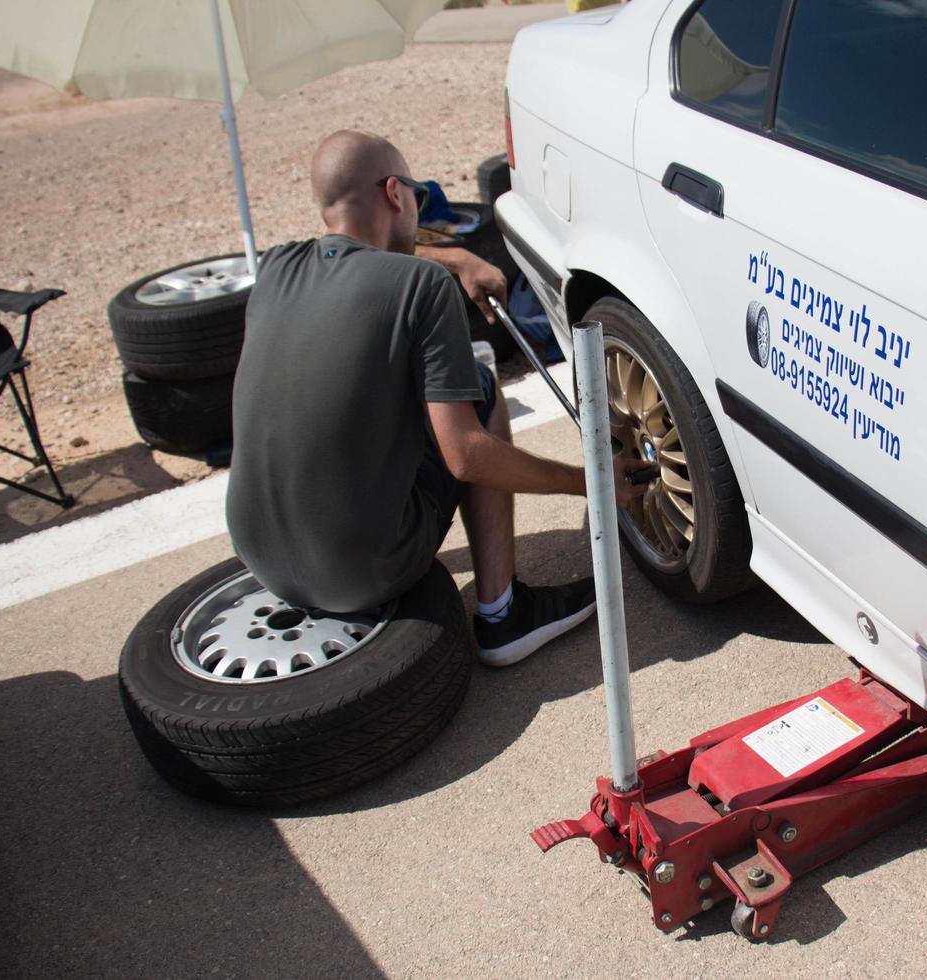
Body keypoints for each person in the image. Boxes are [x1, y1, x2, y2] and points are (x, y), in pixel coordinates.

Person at [227, 130, 646, 666]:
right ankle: (504, 615)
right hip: (363, 570)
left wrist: (455, 257)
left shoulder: (276, 269)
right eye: (419, 197)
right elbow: (467, 455)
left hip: (259, 556)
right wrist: (591, 481)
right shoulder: (421, 287)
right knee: (478, 386)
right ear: (394, 193)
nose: (419, 208)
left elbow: (368, 258)